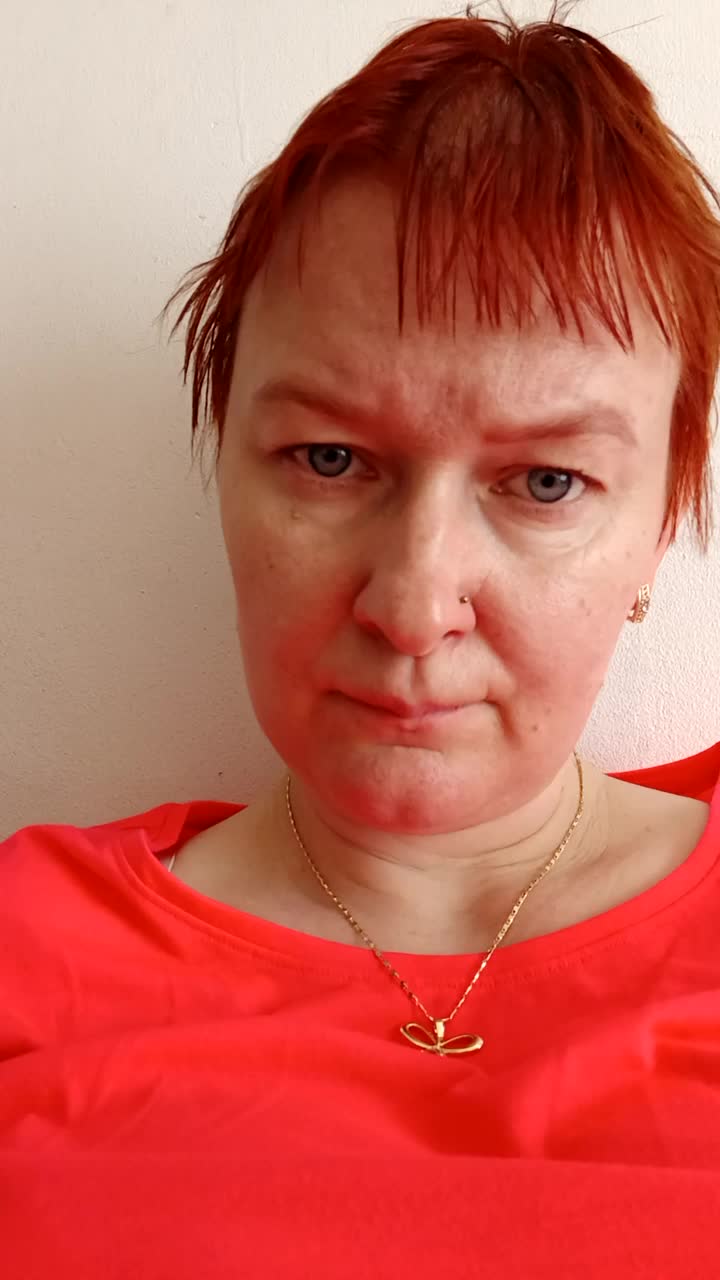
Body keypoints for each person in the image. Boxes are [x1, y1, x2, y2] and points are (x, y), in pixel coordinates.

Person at [3, 5, 720, 1277]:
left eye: (546, 481)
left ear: (662, 517)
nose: (413, 603)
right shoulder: (26, 949)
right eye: (329, 458)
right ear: (224, 463)